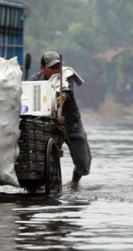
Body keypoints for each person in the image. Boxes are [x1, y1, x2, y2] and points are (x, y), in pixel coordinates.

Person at [28, 51, 92, 185]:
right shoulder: (35, 80)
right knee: (42, 158)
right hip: (46, 124)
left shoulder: (65, 76)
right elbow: (27, 95)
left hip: (71, 122)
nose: (56, 70)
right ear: (42, 68)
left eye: (58, 66)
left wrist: (61, 98)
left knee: (84, 164)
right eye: (52, 67)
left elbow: (67, 91)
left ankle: (74, 183)